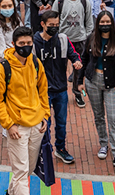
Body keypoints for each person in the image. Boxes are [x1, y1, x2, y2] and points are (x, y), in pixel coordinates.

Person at [0, 26, 50, 195]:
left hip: (37, 125)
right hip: (17, 128)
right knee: (22, 172)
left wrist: (45, 114)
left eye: (28, 43)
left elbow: (43, 89)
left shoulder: (35, 62)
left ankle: (11, 193)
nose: (26, 47)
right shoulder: (3, 68)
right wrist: (9, 125)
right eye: (21, 44)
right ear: (14, 44)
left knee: (29, 167)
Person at [33, 10, 82, 164]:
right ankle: (45, 150)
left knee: (61, 123)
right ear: (43, 24)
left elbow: (74, 54)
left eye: (56, 24)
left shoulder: (63, 39)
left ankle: (60, 148)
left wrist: (76, 62)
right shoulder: (34, 42)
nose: (54, 27)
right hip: (43, 91)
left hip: (60, 90)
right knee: (44, 124)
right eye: (51, 25)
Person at [82, 11, 115, 166]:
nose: (105, 25)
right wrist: (79, 81)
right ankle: (103, 144)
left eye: (108, 22)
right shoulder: (91, 39)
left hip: (111, 85)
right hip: (93, 81)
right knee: (99, 115)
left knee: (113, 118)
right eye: (102, 22)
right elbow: (84, 59)